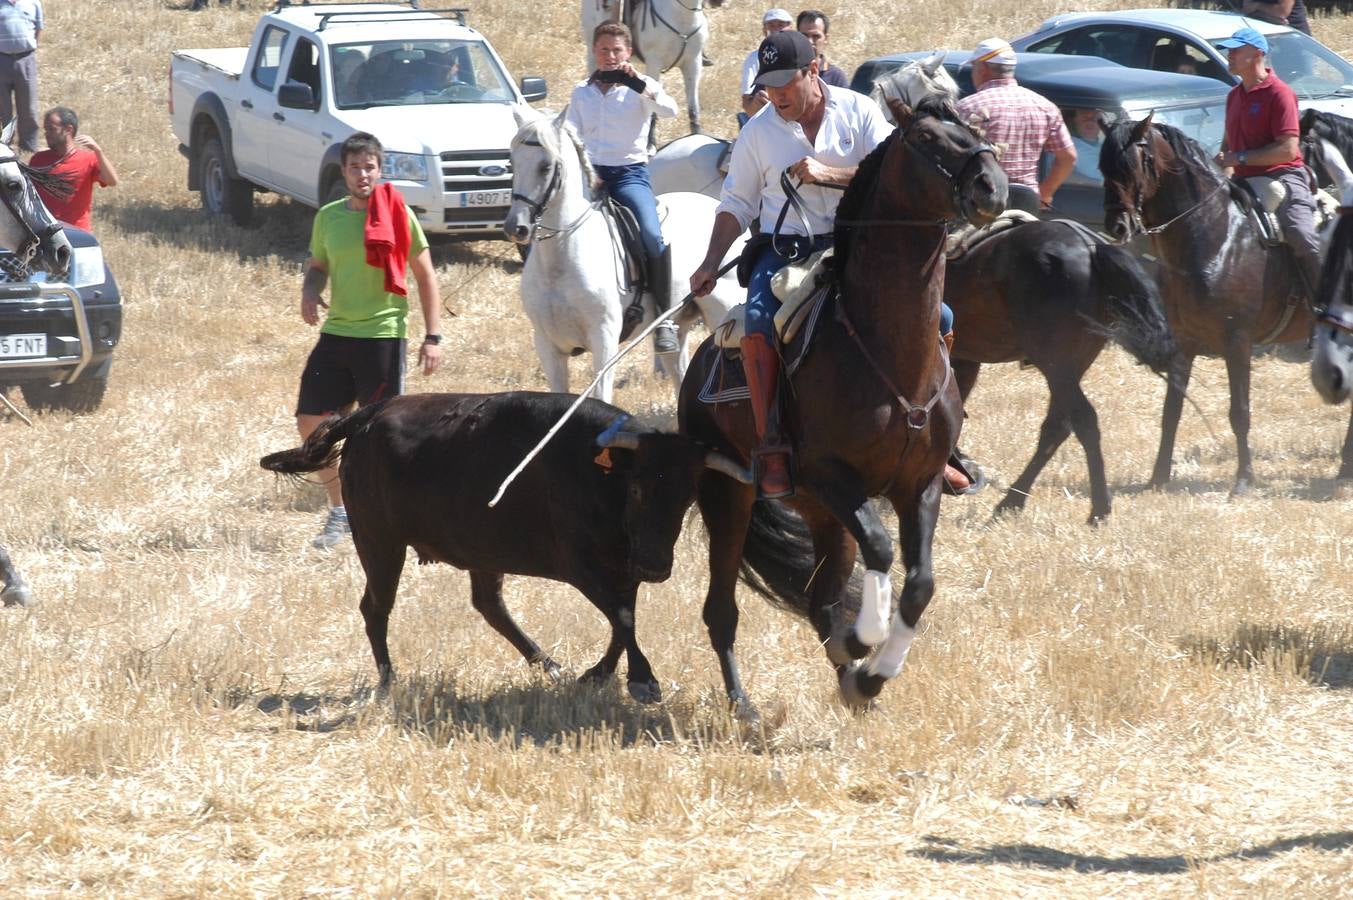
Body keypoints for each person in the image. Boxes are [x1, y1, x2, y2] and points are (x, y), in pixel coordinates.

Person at [689, 31, 971, 497]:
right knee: (759, 326)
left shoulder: (858, 111)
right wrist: (709, 262)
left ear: (813, 70)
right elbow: (736, 203)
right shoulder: (757, 133)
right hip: (786, 250)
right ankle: (774, 441)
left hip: (858, 248)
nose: (775, 95)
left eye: (785, 83)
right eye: (768, 85)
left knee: (940, 316)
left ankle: (940, 443)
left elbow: (891, 173)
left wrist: (829, 174)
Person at [296, 131, 443, 549]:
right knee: (311, 421)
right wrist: (310, 289)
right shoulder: (328, 217)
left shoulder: (398, 215)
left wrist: (433, 336)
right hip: (338, 332)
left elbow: (426, 276)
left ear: (380, 169)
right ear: (343, 171)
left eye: (370, 167)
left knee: (382, 435)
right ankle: (340, 511)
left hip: (383, 335)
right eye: (355, 167)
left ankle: (396, 518)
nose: (363, 174)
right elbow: (318, 264)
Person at [567, 22, 681, 352]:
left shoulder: (641, 86)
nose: (611, 56)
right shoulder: (581, 92)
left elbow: (670, 110)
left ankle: (665, 316)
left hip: (629, 174)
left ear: (628, 52)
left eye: (617, 50)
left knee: (650, 233)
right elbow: (572, 135)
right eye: (604, 50)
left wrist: (639, 85)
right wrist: (585, 170)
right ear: (594, 52)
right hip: (590, 175)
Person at [1214, 26, 1321, 303]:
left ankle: (1326, 304)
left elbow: (1287, 149)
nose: (1230, 55)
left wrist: (1239, 159)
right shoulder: (1234, 95)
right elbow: (1228, 145)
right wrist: (1223, 174)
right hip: (1242, 180)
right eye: (1230, 50)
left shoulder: (1280, 93)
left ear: (1257, 54)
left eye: (1237, 50)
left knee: (1301, 233)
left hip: (1284, 175)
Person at [955, 38, 1076, 211]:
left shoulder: (967, 108)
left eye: (974, 67)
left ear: (983, 68)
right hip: (1027, 203)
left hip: (981, 205)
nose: (973, 73)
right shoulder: (1045, 106)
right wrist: (1045, 193)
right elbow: (1068, 157)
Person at [29, 107, 118, 231]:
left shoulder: (88, 159)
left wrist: (98, 151)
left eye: (52, 129)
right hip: (45, 233)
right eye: (45, 129)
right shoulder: (38, 160)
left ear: (68, 130)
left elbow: (112, 181)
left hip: (76, 233)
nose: (46, 133)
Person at [740, 8, 794, 124]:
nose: (776, 30)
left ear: (790, 28)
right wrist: (757, 102)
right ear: (765, 30)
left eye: (780, 25)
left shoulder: (798, 55)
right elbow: (746, 102)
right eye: (771, 26)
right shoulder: (754, 59)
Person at [0, 0, 41, 153]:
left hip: (26, 60)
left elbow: (38, 28)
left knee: (28, 107)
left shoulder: (33, 2)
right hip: (1, 59)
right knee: (3, 108)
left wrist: (26, 49)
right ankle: (4, 147)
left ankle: (29, 148)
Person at [796, 10, 848, 89]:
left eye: (816, 36)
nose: (809, 41)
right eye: (804, 35)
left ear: (826, 39)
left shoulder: (836, 77)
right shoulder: (787, 72)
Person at [1067, 107, 1103, 185]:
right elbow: (1060, 174)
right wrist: (1098, 184)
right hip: (1086, 194)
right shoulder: (1066, 145)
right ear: (1075, 120)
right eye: (1084, 117)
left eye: (1094, 117)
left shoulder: (1108, 146)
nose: (1090, 121)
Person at [1242, 0, 1312, 37]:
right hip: (1271, 35)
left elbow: (1282, 12)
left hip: (1295, 37)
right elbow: (1246, 7)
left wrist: (1257, 6)